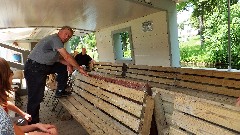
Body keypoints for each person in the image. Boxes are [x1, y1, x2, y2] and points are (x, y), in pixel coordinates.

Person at [24, 26, 88, 124]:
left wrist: (69, 64)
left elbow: (60, 60)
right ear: (60, 31)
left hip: (43, 67)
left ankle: (60, 91)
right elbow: (66, 56)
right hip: (34, 68)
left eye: (69, 36)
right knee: (35, 98)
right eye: (65, 34)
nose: (67, 37)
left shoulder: (56, 45)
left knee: (62, 68)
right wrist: (79, 68)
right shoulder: (55, 39)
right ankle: (33, 124)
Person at [0, 57, 58, 135]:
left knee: (25, 121)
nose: (12, 74)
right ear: (3, 78)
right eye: (9, 72)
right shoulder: (2, 117)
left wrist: (36, 126)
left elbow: (13, 128)